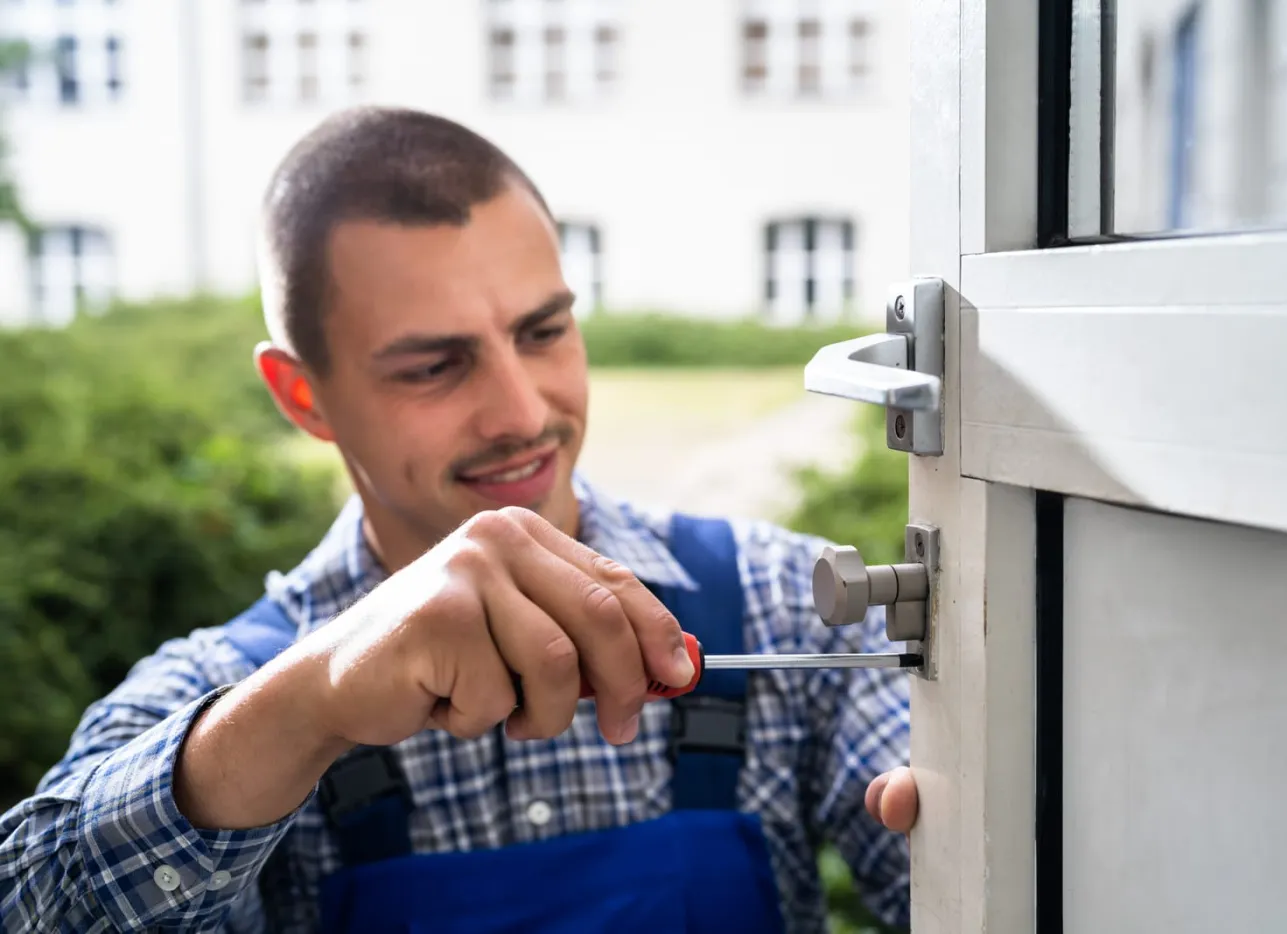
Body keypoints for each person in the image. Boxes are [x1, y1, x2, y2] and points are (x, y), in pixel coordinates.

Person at [0, 106, 919, 933]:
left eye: (543, 331)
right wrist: (308, 705)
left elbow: (947, 860)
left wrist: (965, 821)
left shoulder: (783, 603)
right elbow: (31, 894)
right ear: (303, 395)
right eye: (433, 367)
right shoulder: (221, 689)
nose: (521, 412)